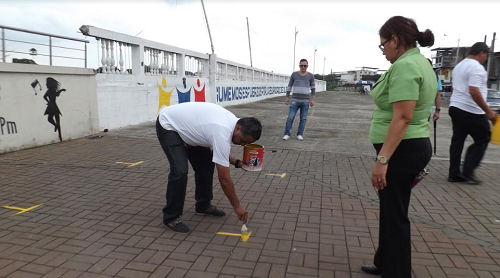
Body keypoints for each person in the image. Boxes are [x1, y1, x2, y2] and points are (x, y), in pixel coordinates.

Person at [362, 16, 435, 277]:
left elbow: (403, 117)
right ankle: (384, 262)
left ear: (395, 39)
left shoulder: (406, 66)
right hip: (409, 146)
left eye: (383, 46)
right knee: (391, 210)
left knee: (395, 215)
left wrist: (382, 161)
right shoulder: (417, 62)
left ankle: (397, 271)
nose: (383, 53)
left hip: (402, 150)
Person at [156, 102, 262, 233]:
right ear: (238, 128)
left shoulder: (232, 124)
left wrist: (236, 162)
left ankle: (203, 205)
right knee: (180, 171)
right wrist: (237, 207)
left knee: (206, 165)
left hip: (190, 130)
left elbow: (219, 152)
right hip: (169, 125)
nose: (242, 145)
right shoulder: (222, 131)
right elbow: (224, 179)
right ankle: (171, 217)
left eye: (246, 143)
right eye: (243, 141)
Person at [447, 42, 497, 184]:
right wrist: (488, 112)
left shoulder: (459, 66)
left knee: (458, 140)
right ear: (481, 53)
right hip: (471, 109)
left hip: (455, 107)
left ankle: (454, 173)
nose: (486, 59)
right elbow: (474, 90)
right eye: (486, 55)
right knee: (483, 138)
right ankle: (468, 171)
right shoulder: (477, 68)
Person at [282, 58, 315, 141]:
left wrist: (312, 99)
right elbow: (289, 86)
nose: (303, 67)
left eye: (305, 65)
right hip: (294, 100)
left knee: (303, 119)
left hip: (305, 101)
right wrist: (287, 97)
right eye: (301, 65)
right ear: (299, 66)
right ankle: (287, 134)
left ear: (307, 66)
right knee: (290, 118)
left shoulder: (310, 76)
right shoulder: (294, 74)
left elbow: (313, 88)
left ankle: (300, 134)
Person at [43, 77, 66, 142]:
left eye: (46, 83)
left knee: (50, 119)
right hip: (54, 106)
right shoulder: (52, 90)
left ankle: (56, 127)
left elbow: (44, 97)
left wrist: (48, 101)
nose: (46, 85)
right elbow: (57, 95)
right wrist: (61, 90)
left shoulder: (49, 91)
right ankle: (60, 136)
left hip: (50, 106)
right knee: (57, 121)